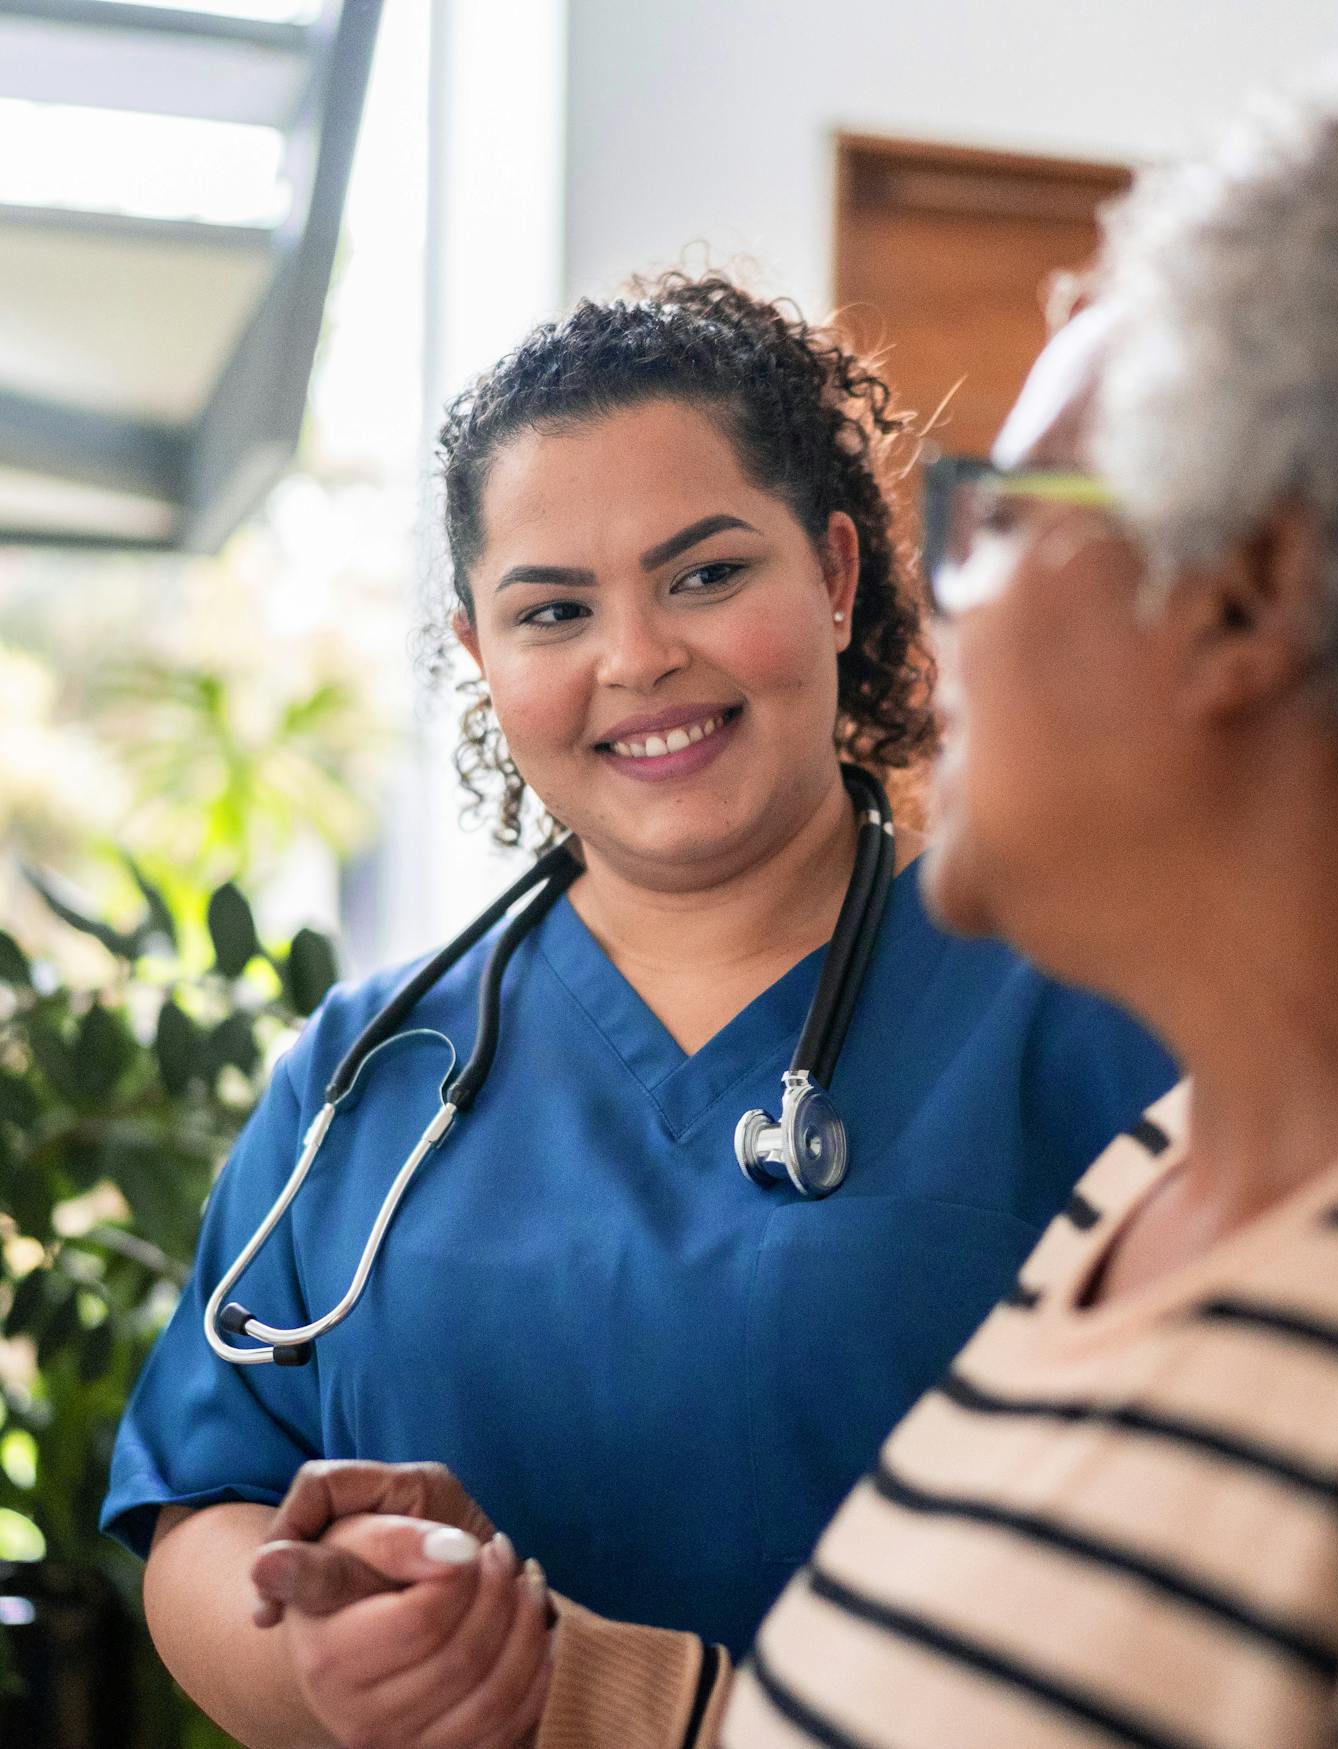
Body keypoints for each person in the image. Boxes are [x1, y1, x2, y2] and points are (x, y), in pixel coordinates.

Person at [247, 88, 1338, 1747]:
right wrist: (529, 1668)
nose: (940, 589)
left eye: (1001, 518)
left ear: (1244, 599)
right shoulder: (1161, 1185)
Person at [101, 274, 1175, 1748]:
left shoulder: (1088, 1020)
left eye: (706, 574)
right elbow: (203, 1511)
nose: (637, 658)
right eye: (551, 610)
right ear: (482, 659)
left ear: (839, 574)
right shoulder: (369, 1064)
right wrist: (366, 1671)